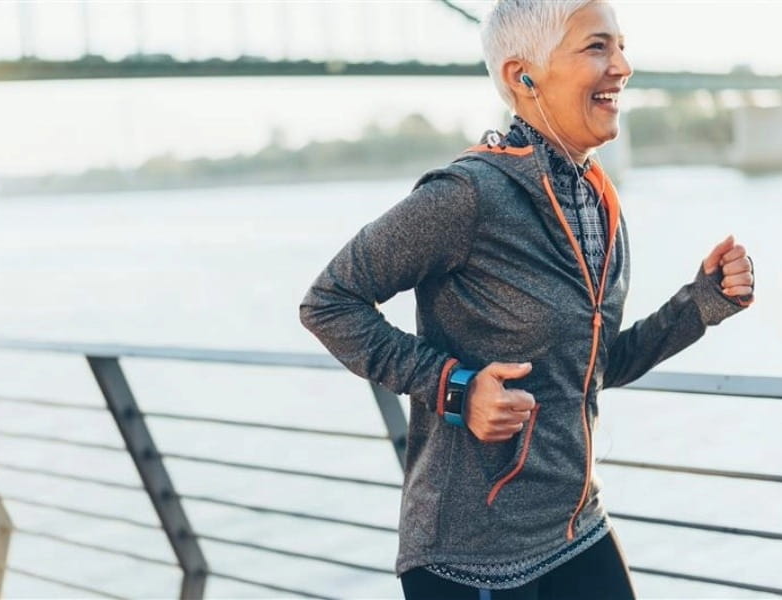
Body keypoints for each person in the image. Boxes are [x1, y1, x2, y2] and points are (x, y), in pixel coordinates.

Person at [299, 1, 755, 597]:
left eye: (621, 45)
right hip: (469, 557)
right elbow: (329, 302)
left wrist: (699, 306)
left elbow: (593, 368)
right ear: (523, 76)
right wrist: (456, 387)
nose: (623, 65)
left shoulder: (594, 198)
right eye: (597, 47)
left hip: (576, 527)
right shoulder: (467, 195)